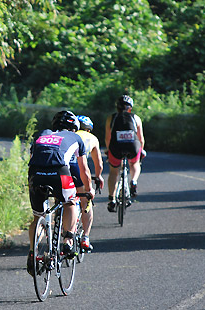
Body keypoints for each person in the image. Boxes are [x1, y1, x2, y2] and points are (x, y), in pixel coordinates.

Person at [27, 111, 95, 276]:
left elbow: (33, 156)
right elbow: (84, 170)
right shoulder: (76, 138)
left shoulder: (41, 134)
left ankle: (32, 252)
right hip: (60, 173)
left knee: (38, 216)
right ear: (74, 127)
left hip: (35, 174)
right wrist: (89, 189)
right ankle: (68, 240)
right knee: (70, 201)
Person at [69, 115, 104, 251]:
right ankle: (85, 237)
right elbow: (99, 164)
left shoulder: (70, 134)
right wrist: (98, 176)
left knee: (65, 199)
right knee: (86, 202)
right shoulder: (93, 138)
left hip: (64, 169)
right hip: (79, 170)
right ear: (89, 129)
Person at [105, 95, 145, 212]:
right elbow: (141, 139)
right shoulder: (136, 118)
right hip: (133, 146)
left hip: (116, 147)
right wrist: (141, 150)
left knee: (113, 171)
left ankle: (112, 198)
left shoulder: (111, 118)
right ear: (130, 108)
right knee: (135, 164)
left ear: (117, 107)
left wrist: (108, 150)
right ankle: (134, 181)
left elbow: (108, 138)